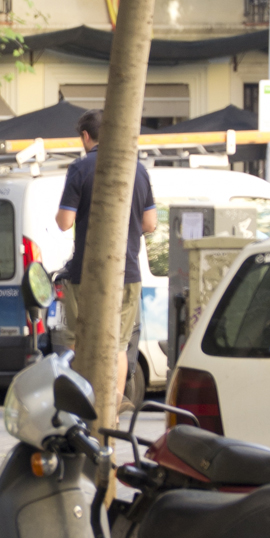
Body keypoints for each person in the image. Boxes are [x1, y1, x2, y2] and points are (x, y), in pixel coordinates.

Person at [55, 109, 158, 412]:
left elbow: (64, 221)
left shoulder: (80, 168)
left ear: (86, 136)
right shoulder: (138, 170)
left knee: (77, 341)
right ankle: (111, 408)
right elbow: (151, 223)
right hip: (128, 272)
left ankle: (81, 407)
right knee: (119, 345)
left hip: (85, 273)